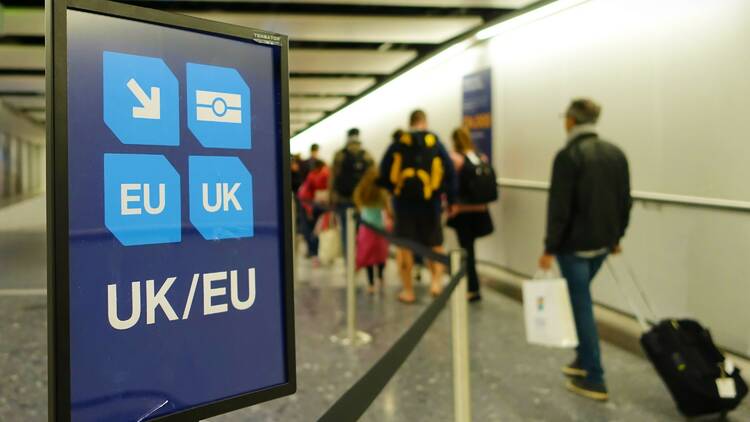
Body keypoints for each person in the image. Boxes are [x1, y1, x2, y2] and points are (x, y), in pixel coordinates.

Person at [538, 98, 632, 402]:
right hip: (603, 245)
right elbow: (624, 201)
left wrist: (549, 248)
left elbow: (560, 208)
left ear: (571, 120)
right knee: (580, 301)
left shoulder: (568, 156)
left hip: (573, 248)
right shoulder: (616, 153)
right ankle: (581, 360)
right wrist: (617, 237)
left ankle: (595, 378)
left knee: (582, 307)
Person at [379, 109, 457, 303]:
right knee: (435, 244)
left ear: (410, 122)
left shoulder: (399, 142)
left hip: (404, 205)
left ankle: (408, 291)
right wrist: (450, 199)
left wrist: (393, 193)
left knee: (404, 247)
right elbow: (450, 172)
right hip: (430, 203)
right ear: (424, 121)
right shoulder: (435, 142)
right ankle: (436, 283)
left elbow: (383, 171)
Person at [447, 127, 495, 302]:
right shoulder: (481, 157)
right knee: (470, 250)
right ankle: (472, 286)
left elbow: (450, 184)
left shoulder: (454, 158)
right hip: (480, 211)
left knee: (466, 252)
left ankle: (472, 288)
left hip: (462, 213)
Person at [329, 128, 374, 256]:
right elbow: (373, 177)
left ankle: (349, 258)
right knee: (362, 230)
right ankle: (360, 257)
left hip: (343, 199)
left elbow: (332, 178)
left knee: (345, 230)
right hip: (362, 201)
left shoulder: (339, 155)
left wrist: (331, 198)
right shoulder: (366, 155)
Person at [353, 167, 391, 294]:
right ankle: (380, 277)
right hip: (379, 227)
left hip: (366, 227)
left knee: (368, 256)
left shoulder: (361, 190)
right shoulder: (382, 191)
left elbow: (358, 205)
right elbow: (387, 208)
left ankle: (371, 284)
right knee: (380, 255)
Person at [297, 159, 330, 265]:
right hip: (314, 207)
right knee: (314, 232)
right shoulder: (322, 174)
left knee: (312, 232)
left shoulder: (316, 175)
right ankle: (315, 254)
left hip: (314, 207)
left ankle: (315, 254)